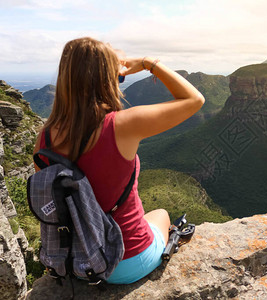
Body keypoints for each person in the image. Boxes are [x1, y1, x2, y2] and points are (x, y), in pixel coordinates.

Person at [33, 37, 205, 284]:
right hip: (127, 263)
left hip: (82, 262)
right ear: (106, 80)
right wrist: (148, 63)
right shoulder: (122, 125)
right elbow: (194, 100)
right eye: (118, 78)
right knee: (161, 214)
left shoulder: (45, 137)